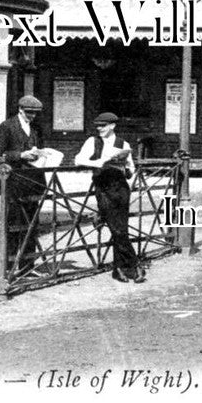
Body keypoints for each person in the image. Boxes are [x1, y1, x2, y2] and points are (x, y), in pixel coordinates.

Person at [74, 112, 144, 283]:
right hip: (103, 187)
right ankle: (134, 265)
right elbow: (78, 159)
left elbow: (131, 169)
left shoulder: (122, 144)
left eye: (103, 126)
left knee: (120, 228)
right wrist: (98, 162)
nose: (99, 129)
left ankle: (118, 268)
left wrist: (124, 168)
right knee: (118, 229)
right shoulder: (92, 142)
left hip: (120, 188)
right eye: (98, 126)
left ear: (112, 126)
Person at [0, 95, 46, 271]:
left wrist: (41, 154)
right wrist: (20, 155)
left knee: (31, 226)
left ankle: (27, 267)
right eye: (29, 113)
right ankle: (8, 267)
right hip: (15, 184)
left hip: (33, 182)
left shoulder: (37, 128)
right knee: (14, 226)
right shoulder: (6, 127)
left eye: (35, 114)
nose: (32, 116)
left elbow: (41, 148)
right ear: (20, 110)